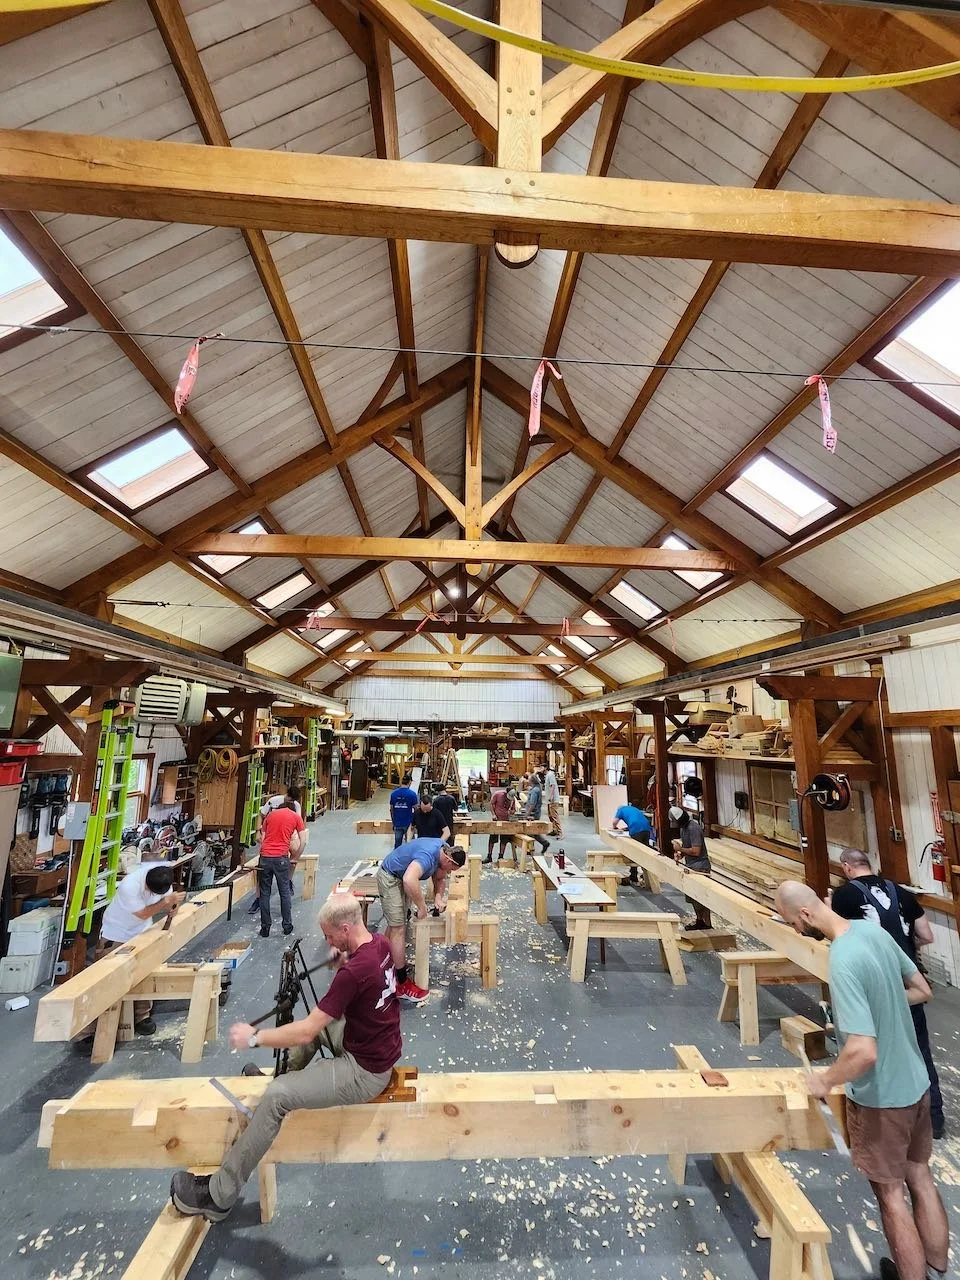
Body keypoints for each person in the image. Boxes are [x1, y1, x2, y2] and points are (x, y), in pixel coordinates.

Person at [170, 893, 401, 1222]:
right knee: (325, 1021)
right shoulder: (376, 943)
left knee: (278, 1097)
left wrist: (254, 1037)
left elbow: (306, 1031)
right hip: (376, 1045)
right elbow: (360, 981)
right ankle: (284, 1078)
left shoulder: (354, 973)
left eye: (330, 935)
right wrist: (344, 959)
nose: (327, 941)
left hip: (365, 1071)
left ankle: (219, 1196)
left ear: (346, 928)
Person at [775, 881, 949, 1280]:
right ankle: (937, 1271)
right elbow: (922, 990)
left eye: (793, 923)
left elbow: (862, 1052)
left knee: (891, 1197)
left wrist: (825, 1081)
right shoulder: (873, 932)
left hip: (883, 1097)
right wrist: (878, 1004)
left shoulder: (843, 958)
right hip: (917, 1082)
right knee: (920, 1178)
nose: (797, 931)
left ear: (805, 914)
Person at [830, 847, 945, 1139]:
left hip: (874, 986)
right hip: (908, 985)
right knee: (919, 1051)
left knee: (873, 1052)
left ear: (846, 867)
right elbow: (926, 936)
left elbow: (838, 936)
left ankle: (884, 1125)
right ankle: (933, 1120)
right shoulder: (903, 893)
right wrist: (904, 950)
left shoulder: (844, 897)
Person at [89, 863, 184, 1038]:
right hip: (116, 934)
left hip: (142, 932)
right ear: (146, 882)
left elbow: (170, 901)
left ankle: (142, 1016)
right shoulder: (129, 886)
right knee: (106, 980)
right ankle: (89, 1030)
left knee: (144, 974)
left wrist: (173, 907)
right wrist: (165, 902)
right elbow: (142, 914)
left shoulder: (163, 879)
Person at [376, 836, 467, 1003]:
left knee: (397, 921)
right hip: (390, 876)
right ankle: (401, 984)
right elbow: (409, 879)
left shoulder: (444, 850)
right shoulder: (427, 856)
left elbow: (439, 878)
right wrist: (422, 907)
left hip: (399, 876)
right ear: (448, 859)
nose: (449, 873)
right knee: (398, 928)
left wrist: (439, 898)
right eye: (451, 869)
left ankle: (383, 962)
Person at [248, 784, 304, 916]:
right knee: (261, 866)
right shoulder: (273, 801)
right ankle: (258, 898)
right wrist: (258, 832)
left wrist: (295, 852)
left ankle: (288, 880)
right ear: (287, 795)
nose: (291, 803)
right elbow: (261, 815)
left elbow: (298, 824)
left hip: (288, 835)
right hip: (271, 834)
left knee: (295, 854)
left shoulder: (296, 806)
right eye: (290, 800)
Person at [258, 798, 306, 938]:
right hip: (281, 858)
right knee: (284, 892)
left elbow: (263, 838)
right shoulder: (295, 817)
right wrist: (295, 857)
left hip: (265, 857)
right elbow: (303, 841)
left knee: (264, 893)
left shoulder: (270, 815)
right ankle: (287, 926)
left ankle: (265, 928)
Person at [670, 805, 712, 930]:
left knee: (701, 899)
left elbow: (696, 851)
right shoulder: (684, 828)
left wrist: (680, 849)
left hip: (700, 867)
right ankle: (700, 921)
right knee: (693, 898)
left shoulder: (693, 828)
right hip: (691, 866)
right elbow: (688, 847)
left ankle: (707, 924)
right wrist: (680, 854)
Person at [611, 803, 652, 886]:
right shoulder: (633, 808)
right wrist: (627, 828)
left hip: (636, 830)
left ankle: (634, 878)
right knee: (645, 852)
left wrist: (614, 828)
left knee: (634, 853)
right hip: (646, 829)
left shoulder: (620, 810)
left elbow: (614, 822)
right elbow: (637, 820)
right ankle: (648, 877)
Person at [485, 786, 517, 864]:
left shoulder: (512, 799)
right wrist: (493, 814)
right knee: (492, 838)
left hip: (506, 821)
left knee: (504, 839)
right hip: (496, 820)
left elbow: (514, 809)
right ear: (506, 793)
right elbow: (492, 804)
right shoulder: (497, 794)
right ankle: (489, 856)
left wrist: (512, 812)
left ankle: (501, 856)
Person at [522, 772, 551, 855]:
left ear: (532, 781)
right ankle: (541, 844)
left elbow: (532, 804)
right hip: (535, 812)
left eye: (529, 780)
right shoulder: (536, 788)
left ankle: (531, 847)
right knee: (533, 831)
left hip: (533, 813)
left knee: (530, 830)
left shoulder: (535, 790)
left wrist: (527, 813)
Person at [389, 774, 419, 848]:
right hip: (409, 824)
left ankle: (396, 858)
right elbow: (416, 810)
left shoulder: (394, 794)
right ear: (409, 782)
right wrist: (415, 823)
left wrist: (393, 822)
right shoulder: (412, 794)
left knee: (397, 845)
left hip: (397, 823)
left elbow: (391, 809)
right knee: (410, 845)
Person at [544, 767, 563, 837]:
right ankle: (554, 830)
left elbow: (553, 785)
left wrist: (551, 796)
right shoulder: (547, 775)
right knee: (550, 816)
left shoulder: (550, 775)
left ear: (545, 768)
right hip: (549, 800)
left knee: (554, 816)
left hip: (553, 800)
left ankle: (560, 832)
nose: (539, 769)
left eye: (541, 767)